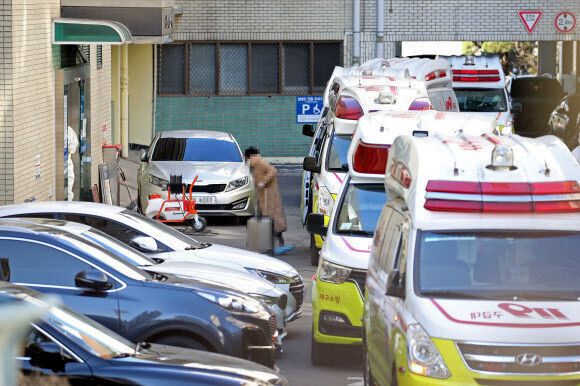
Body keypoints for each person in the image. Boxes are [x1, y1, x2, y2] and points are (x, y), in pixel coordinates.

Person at [244, 147, 294, 254]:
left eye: (247, 158)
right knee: (264, 219)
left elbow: (273, 171)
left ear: (251, 156)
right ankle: (264, 243)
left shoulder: (262, 163)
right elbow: (256, 178)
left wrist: (264, 182)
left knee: (270, 220)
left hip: (269, 196)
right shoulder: (257, 165)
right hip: (263, 196)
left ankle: (274, 243)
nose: (247, 161)